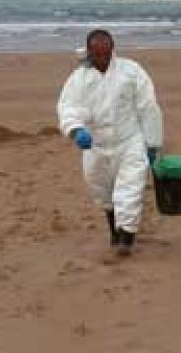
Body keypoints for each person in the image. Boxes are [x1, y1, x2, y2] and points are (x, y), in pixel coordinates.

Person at [57, 29, 163, 256]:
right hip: (96, 145)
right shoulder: (79, 79)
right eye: (97, 54)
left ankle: (126, 236)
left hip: (129, 140)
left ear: (113, 49)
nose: (103, 59)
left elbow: (148, 107)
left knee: (129, 190)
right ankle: (115, 232)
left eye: (107, 53)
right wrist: (76, 131)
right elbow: (69, 108)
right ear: (89, 52)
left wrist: (153, 142)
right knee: (103, 192)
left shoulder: (131, 72)